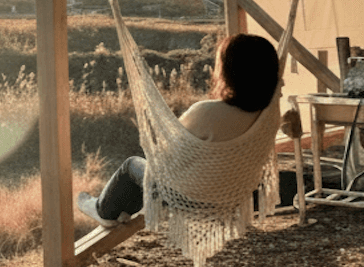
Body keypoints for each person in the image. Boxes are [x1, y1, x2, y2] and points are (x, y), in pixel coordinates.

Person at [77, 33, 282, 227]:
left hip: (187, 200)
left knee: (133, 166)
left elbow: (167, 158)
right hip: (234, 195)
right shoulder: (268, 116)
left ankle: (103, 211)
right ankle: (122, 211)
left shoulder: (206, 112)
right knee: (149, 177)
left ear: (230, 72)